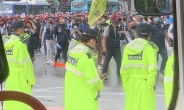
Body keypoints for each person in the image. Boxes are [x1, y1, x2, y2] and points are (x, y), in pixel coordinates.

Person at [120, 23, 158, 110]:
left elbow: (123, 70)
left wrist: (126, 86)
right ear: (150, 34)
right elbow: (153, 69)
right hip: (145, 84)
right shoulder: (149, 47)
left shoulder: (128, 47)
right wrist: (149, 86)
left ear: (136, 33)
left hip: (131, 84)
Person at [65, 29, 104, 110]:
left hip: (72, 94)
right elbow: (94, 82)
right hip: (85, 97)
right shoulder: (86, 57)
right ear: (91, 41)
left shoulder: (72, 52)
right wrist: (100, 81)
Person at [4, 21, 36, 110]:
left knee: (11, 100)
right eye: (23, 28)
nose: (24, 30)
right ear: (20, 30)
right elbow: (27, 65)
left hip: (10, 76)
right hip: (21, 78)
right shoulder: (20, 45)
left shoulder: (7, 44)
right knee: (23, 102)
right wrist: (31, 81)